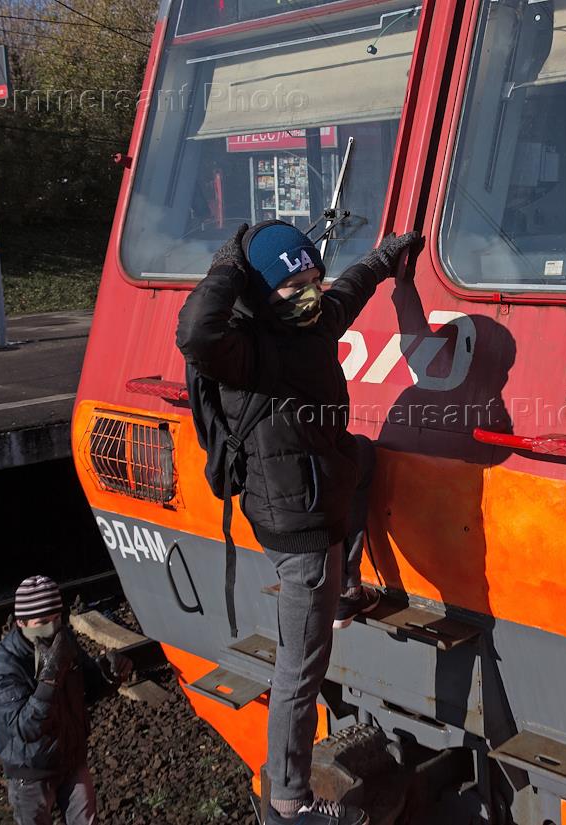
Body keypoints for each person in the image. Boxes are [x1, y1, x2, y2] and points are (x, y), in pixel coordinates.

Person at [176, 221, 419, 825]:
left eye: (315, 279)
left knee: (363, 458)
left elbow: (350, 290)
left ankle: (346, 588)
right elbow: (195, 331)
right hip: (300, 526)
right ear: (261, 291)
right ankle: (288, 801)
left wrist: (386, 258)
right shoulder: (245, 353)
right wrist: (229, 265)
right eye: (294, 286)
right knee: (300, 669)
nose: (311, 293)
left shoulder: (310, 323)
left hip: (315, 486)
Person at [0, 575, 133, 825]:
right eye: (42, 622)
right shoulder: (6, 669)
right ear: (21, 622)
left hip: (71, 758)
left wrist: (109, 674)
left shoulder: (63, 639)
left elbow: (86, 687)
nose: (52, 628)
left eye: (56, 618)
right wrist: (49, 681)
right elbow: (25, 728)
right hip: (31, 771)